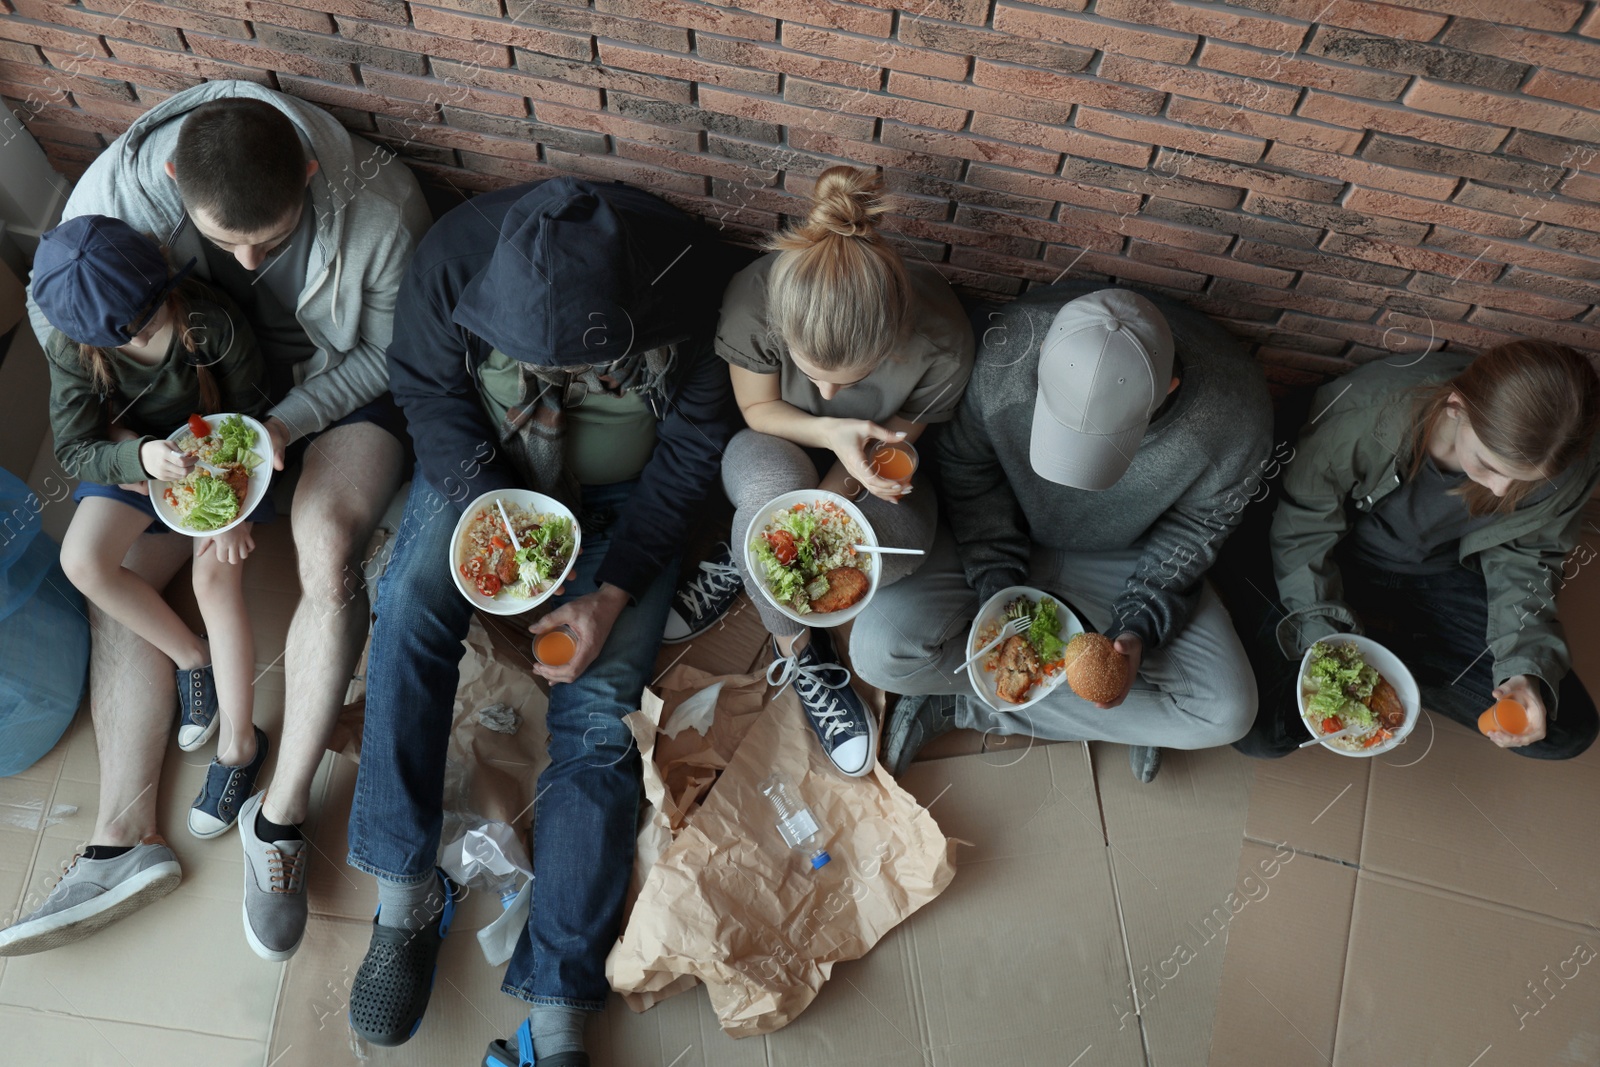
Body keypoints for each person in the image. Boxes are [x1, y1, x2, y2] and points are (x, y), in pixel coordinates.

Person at [18, 81, 429, 961]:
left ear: (312, 176)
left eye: (269, 241)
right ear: (173, 181)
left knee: (325, 550)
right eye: (222, 239)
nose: (245, 262)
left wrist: (285, 421)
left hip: (324, 400)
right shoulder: (121, 197)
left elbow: (389, 356)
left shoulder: (384, 213)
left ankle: (275, 820)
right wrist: (150, 455)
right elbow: (58, 323)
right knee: (110, 571)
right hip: (189, 430)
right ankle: (124, 837)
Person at [347, 177, 746, 1067]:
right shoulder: (452, 257)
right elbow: (425, 390)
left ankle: (559, 1006)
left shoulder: (706, 288)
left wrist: (614, 592)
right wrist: (499, 518)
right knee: (407, 609)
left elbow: (689, 456)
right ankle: (406, 890)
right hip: (487, 472)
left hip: (624, 507)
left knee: (601, 717)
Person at [851, 284, 1271, 783]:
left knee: (1227, 712)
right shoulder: (1007, 347)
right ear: (1044, 351)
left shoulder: (1236, 415)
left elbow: (1197, 530)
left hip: (1125, 559)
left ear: (1170, 387)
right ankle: (1123, 720)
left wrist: (1139, 624)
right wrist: (997, 586)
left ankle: (968, 708)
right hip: (1002, 530)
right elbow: (967, 471)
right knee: (878, 652)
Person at [0, 215, 273, 954]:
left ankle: (240, 749)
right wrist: (144, 459)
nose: (141, 337)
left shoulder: (208, 323)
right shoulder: (71, 343)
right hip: (148, 471)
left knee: (219, 579)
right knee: (82, 562)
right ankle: (193, 663)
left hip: (224, 468)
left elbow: (251, 415)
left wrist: (229, 502)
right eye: (123, 336)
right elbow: (77, 446)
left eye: (150, 319)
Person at [661, 165, 973, 777]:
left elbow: (896, 446)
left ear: (890, 346)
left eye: (849, 380)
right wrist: (830, 432)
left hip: (872, 463)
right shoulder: (757, 298)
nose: (827, 392)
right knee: (766, 501)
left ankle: (753, 554)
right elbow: (758, 409)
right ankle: (800, 649)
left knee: (898, 549)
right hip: (776, 438)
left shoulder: (943, 340)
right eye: (813, 371)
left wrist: (827, 510)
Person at [1231, 341, 1600, 759]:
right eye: (1490, 465)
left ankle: (1384, 654)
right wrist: (1323, 637)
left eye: (1526, 482)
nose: (1499, 491)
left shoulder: (1571, 458)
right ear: (1456, 406)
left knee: (1565, 728)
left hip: (1441, 576)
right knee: (1260, 732)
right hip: (1335, 555)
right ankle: (1370, 647)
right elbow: (1303, 528)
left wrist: (1522, 670)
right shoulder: (1369, 411)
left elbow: (1528, 562)